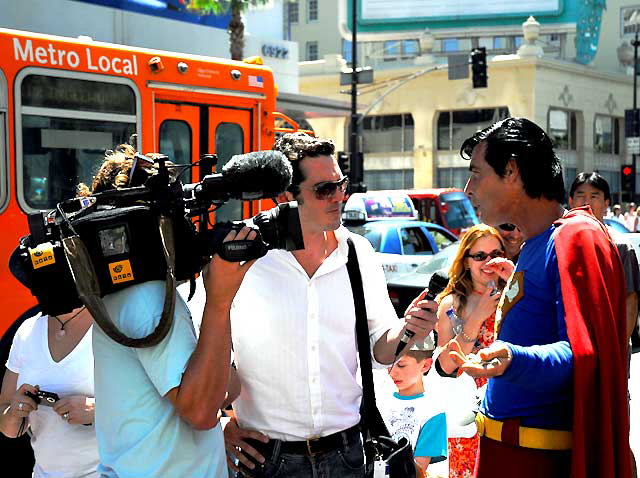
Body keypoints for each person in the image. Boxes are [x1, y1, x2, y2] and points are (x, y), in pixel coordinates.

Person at [223, 132, 438, 478]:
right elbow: (203, 348)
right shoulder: (243, 252)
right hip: (267, 460)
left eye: (341, 185)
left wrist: (409, 328)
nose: (339, 197)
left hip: (349, 455)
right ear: (285, 195)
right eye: (324, 189)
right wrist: (221, 423)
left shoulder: (357, 253)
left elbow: (381, 351)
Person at [450, 117, 631, 478]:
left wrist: (513, 359)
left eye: (477, 173)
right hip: (508, 453)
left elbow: (584, 355)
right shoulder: (537, 243)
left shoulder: (575, 235)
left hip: (537, 461)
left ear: (512, 171)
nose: (469, 188)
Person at [83, 145, 253, 477]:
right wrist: (219, 301)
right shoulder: (147, 300)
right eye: (176, 213)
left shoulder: (127, 293)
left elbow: (224, 389)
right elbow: (202, 411)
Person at [568, 172, 639, 478]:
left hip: (610, 357)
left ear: (608, 204)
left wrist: (610, 352)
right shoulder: (561, 244)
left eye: (595, 196)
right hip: (573, 356)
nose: (587, 202)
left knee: (615, 434)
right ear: (570, 202)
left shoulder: (621, 247)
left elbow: (630, 304)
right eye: (581, 195)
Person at [435, 224, 507, 478]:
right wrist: (476, 319)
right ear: (466, 261)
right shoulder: (452, 305)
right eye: (480, 256)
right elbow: (446, 366)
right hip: (468, 416)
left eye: (495, 254)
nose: (489, 261)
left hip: (510, 410)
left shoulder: (516, 295)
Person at [0, 306, 99, 477]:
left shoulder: (112, 326)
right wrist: (15, 413)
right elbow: (6, 424)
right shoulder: (27, 331)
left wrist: (98, 411)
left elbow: (154, 407)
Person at [382, 336, 448, 477]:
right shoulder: (380, 401)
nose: (392, 372)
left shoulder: (433, 411)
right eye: (389, 364)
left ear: (425, 365)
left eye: (401, 365)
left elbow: (417, 471)